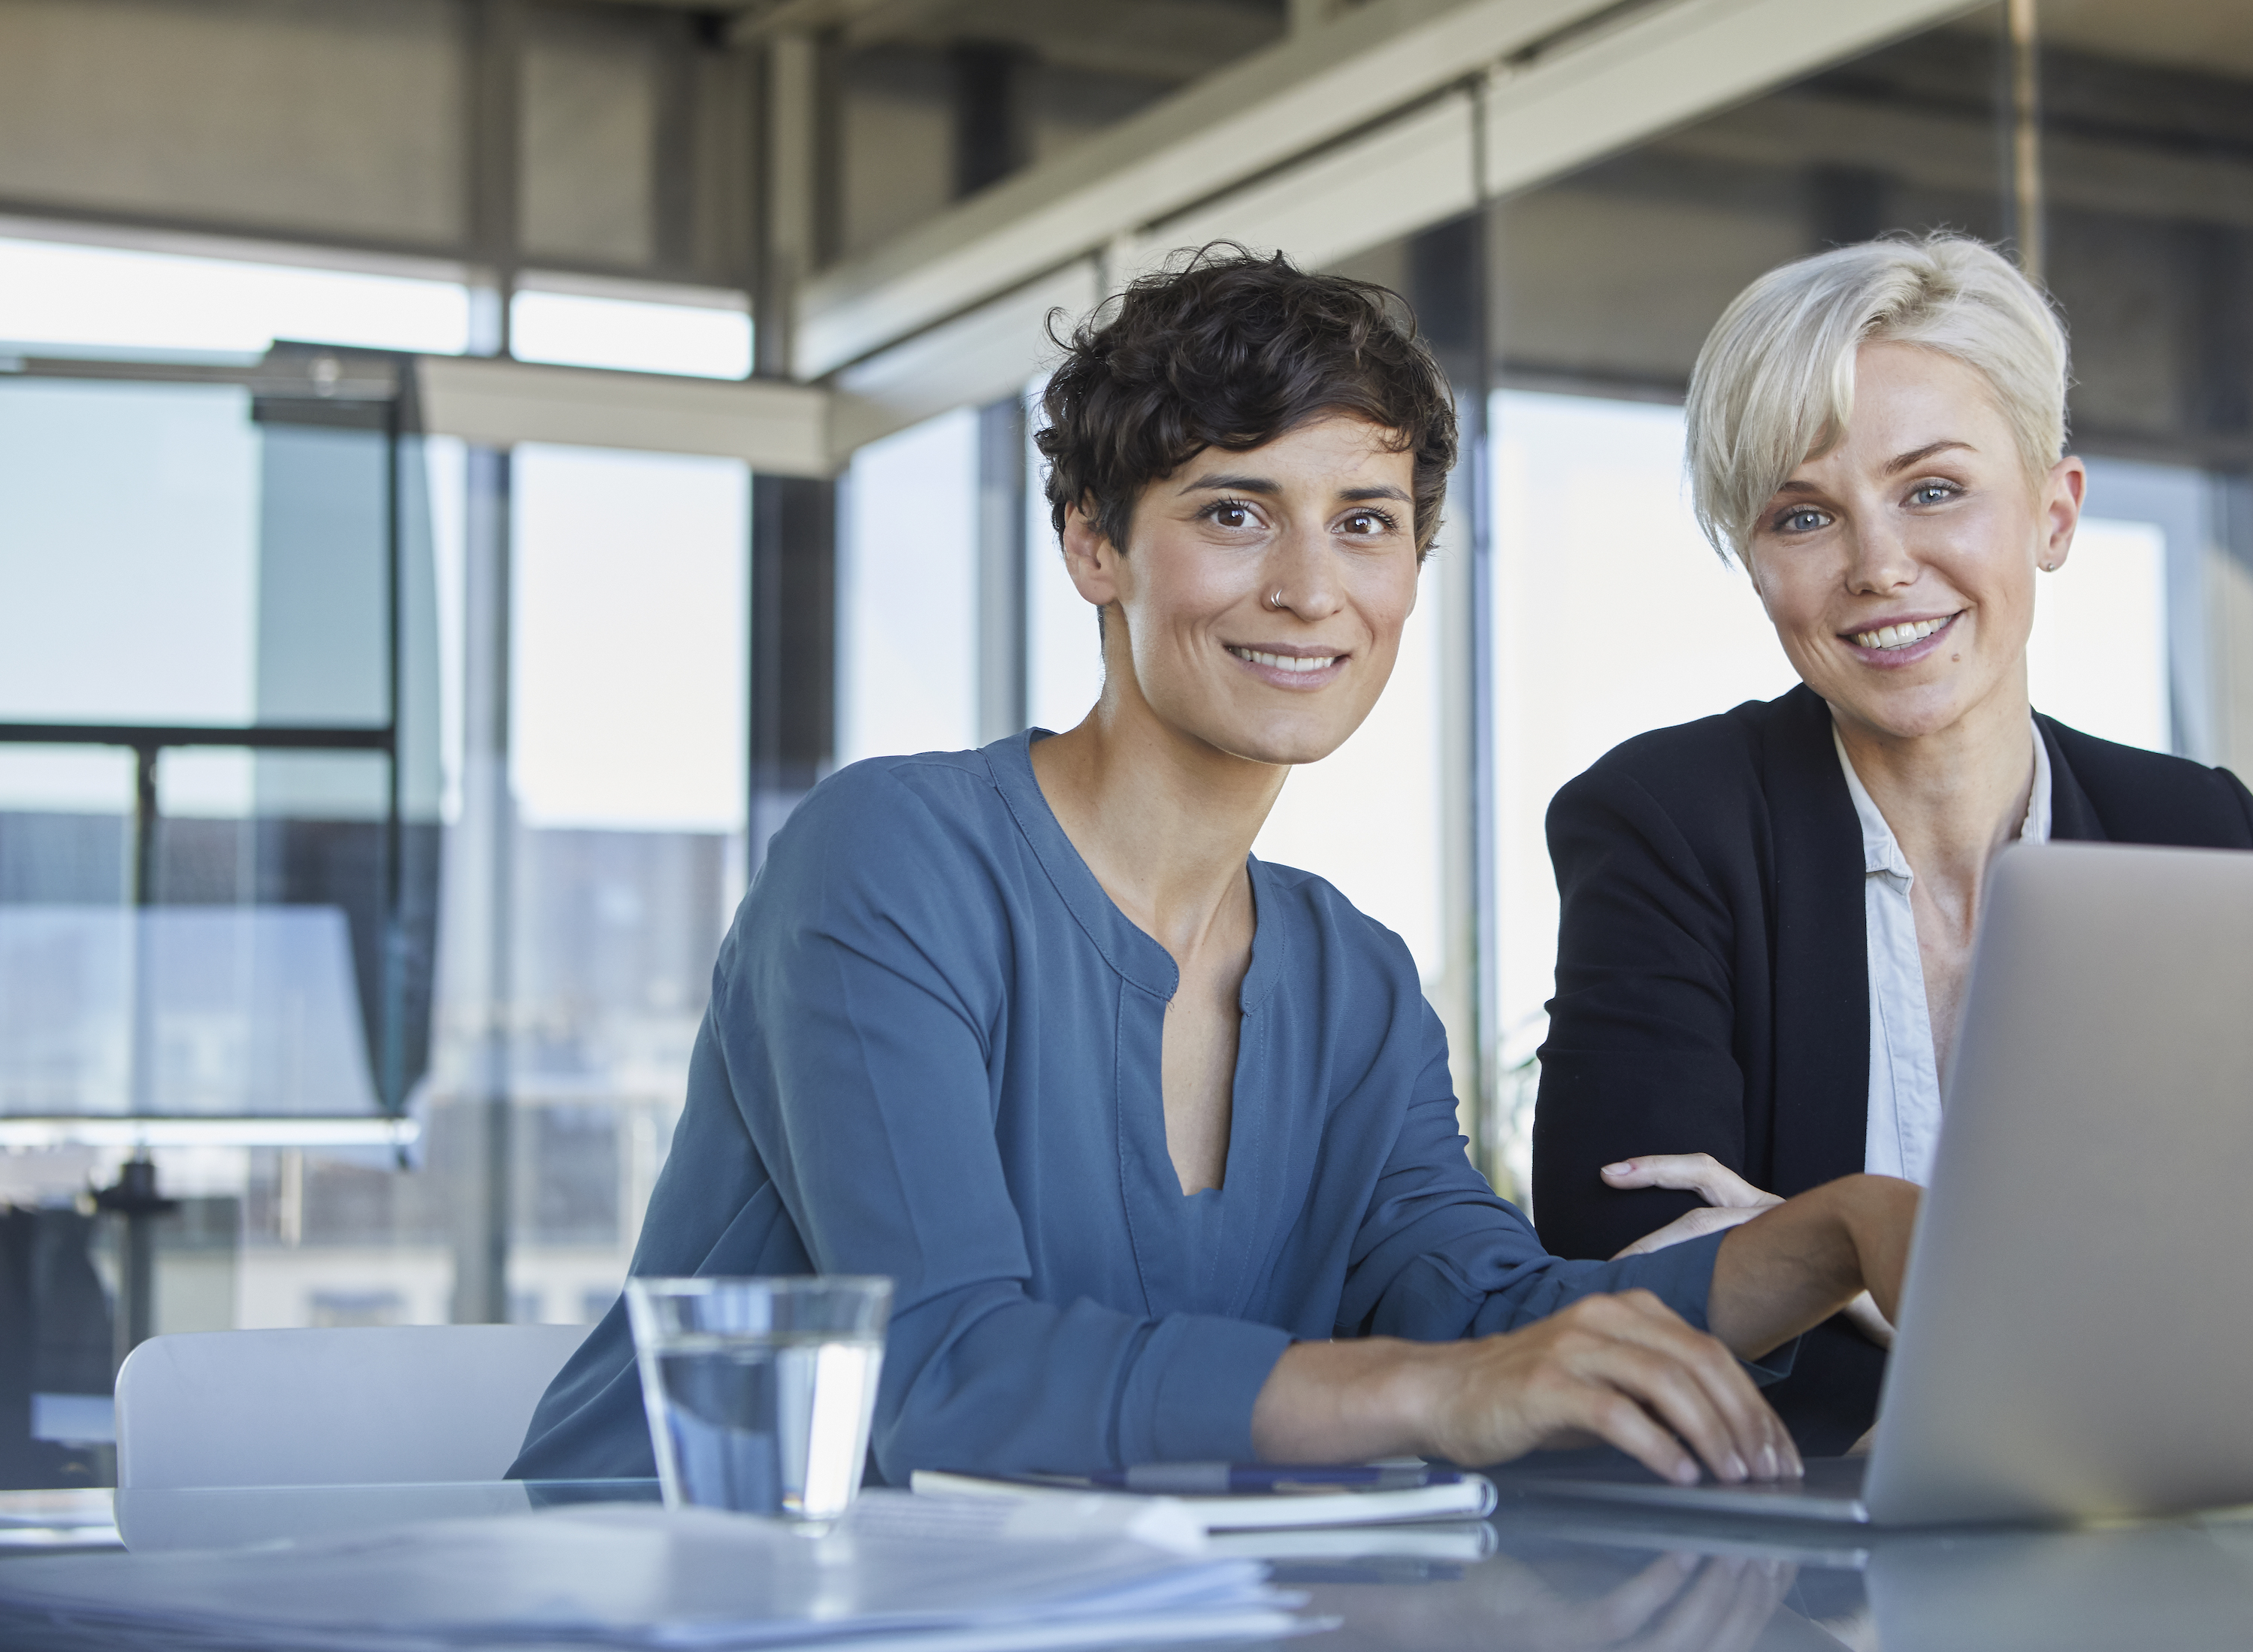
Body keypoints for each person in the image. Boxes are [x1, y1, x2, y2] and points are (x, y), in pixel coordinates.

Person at [512, 248, 1918, 1490]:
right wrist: (1430, 1394)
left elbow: (1497, 1323)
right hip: (660, 1594)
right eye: (1235, 512)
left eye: (1364, 520)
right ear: (1092, 543)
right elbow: (945, 1370)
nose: (1309, 588)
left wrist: (1849, 1232)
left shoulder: (1353, 982)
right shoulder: (889, 859)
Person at [1529, 233, 2253, 1454]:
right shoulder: (1667, 822)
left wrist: (1816, 1253)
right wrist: (2064, 1311)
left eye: (1932, 491)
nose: (1877, 566)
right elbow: (1628, 1279)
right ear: (1754, 562)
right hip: (1784, 1540)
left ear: (2052, 512)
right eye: (1803, 514)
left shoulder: (2192, 838)